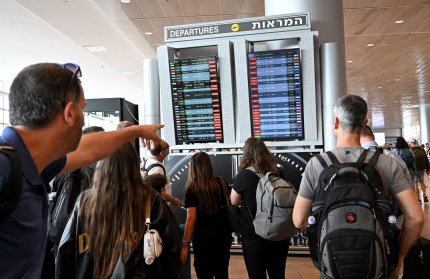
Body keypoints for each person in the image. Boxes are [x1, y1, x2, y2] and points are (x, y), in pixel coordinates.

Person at [0, 63, 163, 279]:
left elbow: (88, 150)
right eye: (83, 108)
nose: (84, 118)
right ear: (69, 113)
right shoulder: (5, 169)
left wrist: (135, 131)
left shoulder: (36, 163)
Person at [293, 94, 424, 277]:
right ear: (365, 122)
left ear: (336, 122)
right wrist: (399, 255)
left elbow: (298, 220)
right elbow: (416, 217)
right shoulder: (387, 163)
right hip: (378, 264)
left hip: (332, 266)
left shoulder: (317, 164)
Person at [56, 142, 181, 278]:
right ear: (134, 165)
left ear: (101, 166)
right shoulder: (149, 198)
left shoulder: (85, 201)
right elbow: (172, 246)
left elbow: (65, 252)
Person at [231, 137, 291, 279]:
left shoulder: (244, 175)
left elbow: (233, 201)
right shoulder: (278, 172)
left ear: (246, 154)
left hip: (254, 235)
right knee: (277, 274)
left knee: (256, 274)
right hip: (279, 232)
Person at [181, 152, 232, 279]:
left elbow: (191, 218)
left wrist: (184, 244)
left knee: (204, 273)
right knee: (222, 272)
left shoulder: (191, 189)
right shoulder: (221, 183)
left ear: (193, 168)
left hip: (203, 241)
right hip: (223, 237)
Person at [145, 139, 182, 207]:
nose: (169, 148)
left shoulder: (148, 161)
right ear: (161, 153)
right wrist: (174, 200)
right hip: (160, 209)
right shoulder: (158, 169)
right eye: (167, 146)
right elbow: (159, 193)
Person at [409, 138, 430, 202]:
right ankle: (424, 194)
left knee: (415, 183)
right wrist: (428, 169)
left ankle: (418, 199)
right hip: (421, 168)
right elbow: (426, 159)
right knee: (422, 182)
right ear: (416, 142)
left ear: (410, 143)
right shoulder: (421, 149)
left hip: (414, 169)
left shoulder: (409, 150)